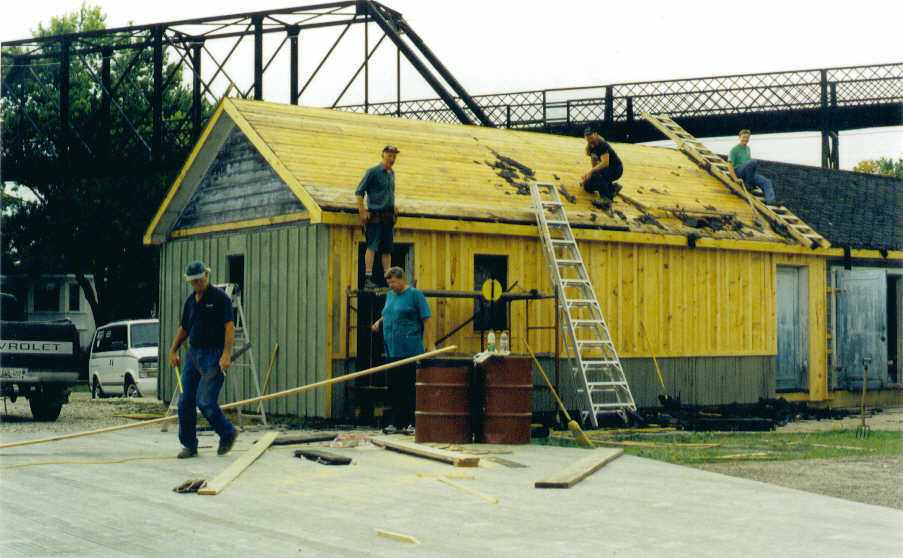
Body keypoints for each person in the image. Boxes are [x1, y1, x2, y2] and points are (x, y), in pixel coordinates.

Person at [167, 261, 238, 459]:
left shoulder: (220, 298)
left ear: (206, 276)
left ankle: (227, 433)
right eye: (193, 281)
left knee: (205, 401)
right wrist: (173, 350)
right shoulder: (190, 302)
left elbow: (229, 327)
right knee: (185, 401)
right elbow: (184, 328)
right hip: (193, 355)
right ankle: (189, 445)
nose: (197, 284)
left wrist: (226, 354)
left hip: (213, 355)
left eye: (199, 280)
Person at [370, 266, 435, 429]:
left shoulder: (415, 295)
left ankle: (413, 423)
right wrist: (379, 322)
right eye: (389, 283)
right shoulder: (390, 295)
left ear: (402, 279)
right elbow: (389, 313)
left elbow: (427, 319)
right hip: (392, 349)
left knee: (409, 387)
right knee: (394, 388)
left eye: (393, 282)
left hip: (410, 350)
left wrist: (431, 345)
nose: (391, 286)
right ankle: (396, 422)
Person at [355, 145, 400, 289]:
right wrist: (362, 211)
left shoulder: (392, 173)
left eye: (394, 156)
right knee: (372, 246)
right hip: (375, 215)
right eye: (389, 156)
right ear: (382, 156)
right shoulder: (372, 172)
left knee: (387, 249)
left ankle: (388, 280)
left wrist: (393, 206)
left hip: (388, 217)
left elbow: (388, 193)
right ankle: (368, 279)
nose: (392, 159)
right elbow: (359, 192)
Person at [728, 129, 783, 206]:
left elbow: (750, 167)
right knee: (753, 162)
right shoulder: (734, 150)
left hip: (748, 175)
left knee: (766, 181)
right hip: (739, 172)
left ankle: (771, 201)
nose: (745, 139)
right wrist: (735, 179)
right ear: (739, 137)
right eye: (743, 137)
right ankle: (748, 185)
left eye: (747, 138)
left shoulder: (748, 149)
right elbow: (730, 165)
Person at [581, 127, 623, 208]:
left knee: (595, 174)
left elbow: (605, 163)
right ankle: (611, 188)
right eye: (587, 137)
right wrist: (588, 177)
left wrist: (591, 172)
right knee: (587, 186)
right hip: (606, 170)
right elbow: (594, 165)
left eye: (591, 136)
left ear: (596, 135)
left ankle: (606, 198)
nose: (589, 138)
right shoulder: (590, 147)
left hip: (616, 169)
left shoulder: (602, 145)